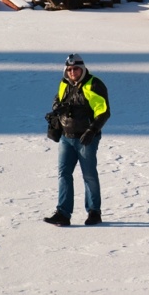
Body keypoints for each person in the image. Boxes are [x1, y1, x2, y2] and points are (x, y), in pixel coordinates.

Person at [44, 53, 111, 226]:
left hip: (85, 139)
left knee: (89, 175)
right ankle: (63, 213)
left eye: (76, 69)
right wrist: (56, 110)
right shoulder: (64, 83)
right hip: (67, 137)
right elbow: (57, 99)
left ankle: (94, 212)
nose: (72, 72)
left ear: (82, 69)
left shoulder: (94, 84)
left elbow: (103, 112)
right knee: (64, 174)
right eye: (69, 69)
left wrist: (92, 130)